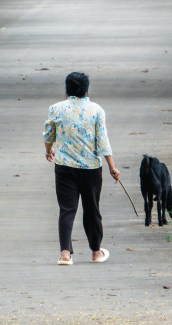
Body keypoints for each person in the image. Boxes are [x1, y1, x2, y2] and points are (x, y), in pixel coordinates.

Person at [43, 72, 120, 265]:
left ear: (67, 89)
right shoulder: (96, 110)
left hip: (64, 168)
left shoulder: (56, 109)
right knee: (92, 209)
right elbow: (102, 141)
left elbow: (49, 134)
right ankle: (95, 252)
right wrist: (112, 167)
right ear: (86, 89)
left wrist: (48, 150)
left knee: (67, 210)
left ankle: (65, 255)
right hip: (91, 169)